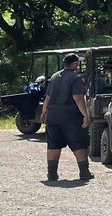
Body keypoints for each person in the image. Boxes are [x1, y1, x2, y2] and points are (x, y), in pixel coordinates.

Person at [40, 52, 94, 182]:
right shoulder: (75, 78)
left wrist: (44, 112)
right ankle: (84, 172)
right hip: (71, 117)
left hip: (53, 116)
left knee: (53, 144)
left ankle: (52, 174)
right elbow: (78, 98)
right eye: (78, 63)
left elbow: (48, 97)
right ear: (74, 64)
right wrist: (85, 115)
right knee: (79, 142)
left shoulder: (54, 77)